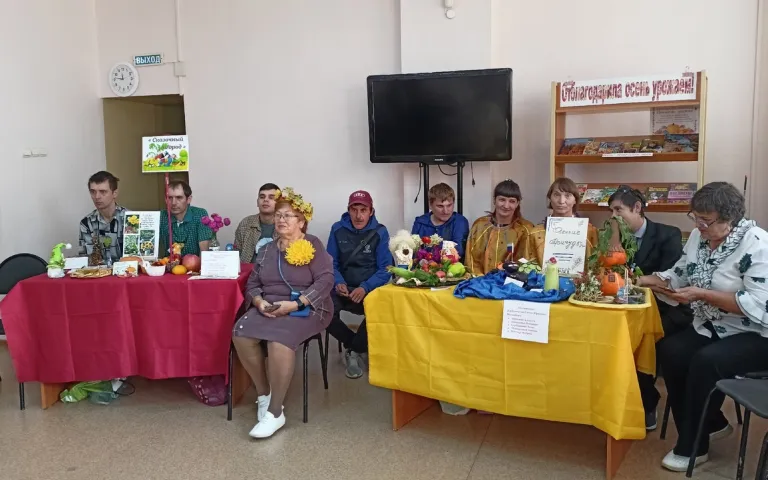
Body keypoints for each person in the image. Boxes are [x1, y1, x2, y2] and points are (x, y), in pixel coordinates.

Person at [635, 182, 768, 472]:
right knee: (670, 351)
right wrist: (640, 279)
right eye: (695, 217)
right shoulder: (699, 236)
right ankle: (711, 422)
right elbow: (680, 273)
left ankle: (693, 446)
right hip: (713, 323)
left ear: (730, 219)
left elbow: (758, 304)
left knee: (705, 362)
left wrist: (702, 295)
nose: (698, 226)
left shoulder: (757, 244)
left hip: (755, 332)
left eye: (706, 220)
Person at [232, 187, 334, 439]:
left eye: (288, 215)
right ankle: (264, 394)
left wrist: (297, 304)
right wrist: (258, 302)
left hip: (307, 307)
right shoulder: (266, 249)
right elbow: (253, 283)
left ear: (301, 222)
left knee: (279, 341)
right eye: (278, 215)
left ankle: (276, 412)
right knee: (240, 333)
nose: (281, 219)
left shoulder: (313, 244)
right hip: (270, 305)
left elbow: (325, 280)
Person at [607, 185, 688, 431]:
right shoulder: (615, 234)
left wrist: (635, 280)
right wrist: (614, 237)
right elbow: (608, 271)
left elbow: (670, 280)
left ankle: (647, 401)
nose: (613, 217)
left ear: (637, 208)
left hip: (666, 309)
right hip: (627, 306)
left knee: (639, 339)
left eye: (618, 210)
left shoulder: (668, 234)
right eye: (611, 211)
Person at [326, 190, 392, 379]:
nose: (358, 215)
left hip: (368, 288)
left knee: (382, 308)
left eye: (363, 210)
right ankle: (356, 345)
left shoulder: (380, 231)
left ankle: (354, 350)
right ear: (348, 210)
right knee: (322, 311)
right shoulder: (337, 229)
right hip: (343, 288)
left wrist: (365, 287)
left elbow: (386, 268)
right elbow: (330, 263)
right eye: (354, 210)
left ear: (371, 211)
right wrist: (339, 282)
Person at [465, 179, 534, 275]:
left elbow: (527, 263)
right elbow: (471, 261)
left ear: (517, 203)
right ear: (494, 200)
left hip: (511, 282)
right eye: (502, 200)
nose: (506, 205)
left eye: (512, 201)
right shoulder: (479, 226)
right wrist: (482, 280)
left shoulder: (526, 229)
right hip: (480, 281)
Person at [524, 177, 598, 266]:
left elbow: (597, 266)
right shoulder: (535, 233)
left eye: (567, 195)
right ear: (550, 198)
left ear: (575, 200)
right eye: (556, 195)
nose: (561, 201)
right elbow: (527, 267)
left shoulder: (589, 231)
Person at [411, 183, 470, 259]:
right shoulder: (420, 222)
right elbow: (413, 252)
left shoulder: (460, 222)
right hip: (422, 265)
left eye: (449, 205)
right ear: (430, 205)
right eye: (440, 206)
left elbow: (459, 251)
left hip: (452, 266)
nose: (445, 211)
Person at [79, 171, 127, 262]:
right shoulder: (86, 223)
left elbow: (141, 257)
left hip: (128, 270)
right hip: (99, 270)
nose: (97, 196)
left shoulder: (131, 219)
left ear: (114, 193)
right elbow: (86, 259)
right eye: (93, 192)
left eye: (103, 192)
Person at [158, 180, 212, 257]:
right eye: (169, 198)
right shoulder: (161, 216)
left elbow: (205, 251)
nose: (173, 203)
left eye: (179, 198)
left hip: (194, 263)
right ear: (165, 200)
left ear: (188, 199)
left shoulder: (200, 214)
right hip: (168, 263)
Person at [234, 183, 279, 264]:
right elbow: (235, 255)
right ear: (257, 202)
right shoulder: (246, 223)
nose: (265, 200)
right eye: (262, 197)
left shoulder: (285, 225)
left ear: (279, 203)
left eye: (271, 197)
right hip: (247, 271)